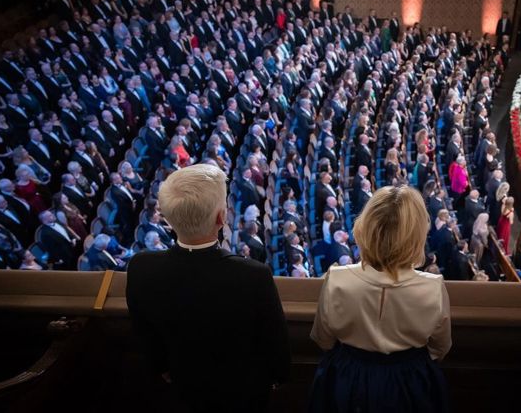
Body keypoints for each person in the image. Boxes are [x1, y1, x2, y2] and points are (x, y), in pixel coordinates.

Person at [127, 164, 290, 412]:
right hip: (244, 394)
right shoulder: (253, 275)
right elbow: (274, 343)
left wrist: (163, 369)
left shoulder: (140, 267)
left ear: (167, 219)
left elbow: (146, 335)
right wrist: (278, 378)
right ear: (221, 218)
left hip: (181, 389)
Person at [310, 185, 450, 413]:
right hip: (410, 386)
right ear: (417, 236)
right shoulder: (433, 286)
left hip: (347, 383)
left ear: (365, 228)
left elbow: (323, 339)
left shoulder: (336, 278)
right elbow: (440, 348)